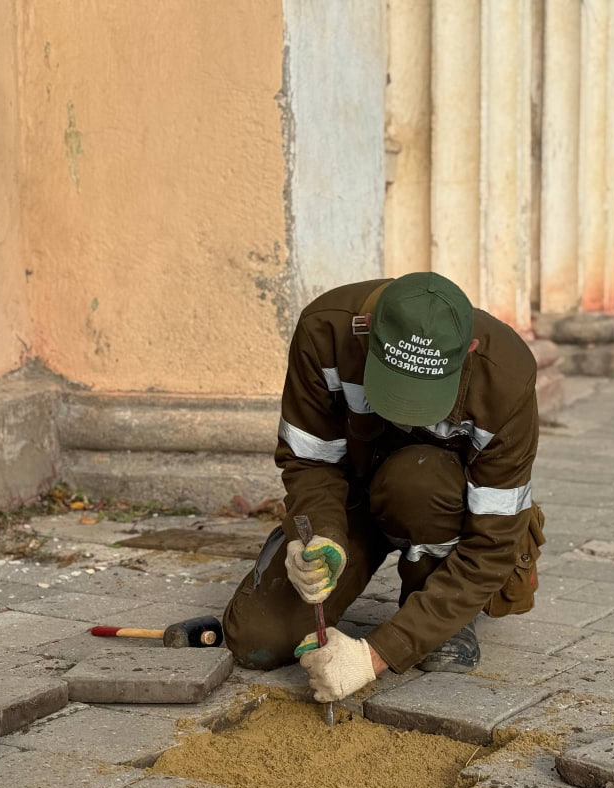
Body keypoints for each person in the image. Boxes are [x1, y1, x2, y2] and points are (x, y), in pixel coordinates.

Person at [221, 272, 544, 705]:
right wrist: (317, 536)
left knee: (420, 477)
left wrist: (375, 655)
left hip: (434, 503)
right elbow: (309, 459)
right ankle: (329, 550)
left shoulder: (506, 376)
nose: (405, 415)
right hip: (351, 498)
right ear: (367, 330)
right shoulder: (326, 331)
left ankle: (431, 600)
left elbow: (493, 544)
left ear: (468, 352)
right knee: (257, 640)